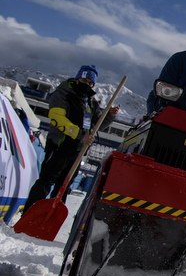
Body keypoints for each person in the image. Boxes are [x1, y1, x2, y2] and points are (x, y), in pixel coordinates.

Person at [21, 65, 119, 212]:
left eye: (90, 83)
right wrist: (80, 135)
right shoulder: (63, 93)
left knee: (64, 187)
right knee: (46, 181)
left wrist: (110, 115)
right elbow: (57, 118)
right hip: (59, 145)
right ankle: (30, 213)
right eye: (85, 80)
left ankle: (50, 218)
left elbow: (97, 124)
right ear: (78, 78)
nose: (87, 85)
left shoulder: (91, 102)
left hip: (77, 150)